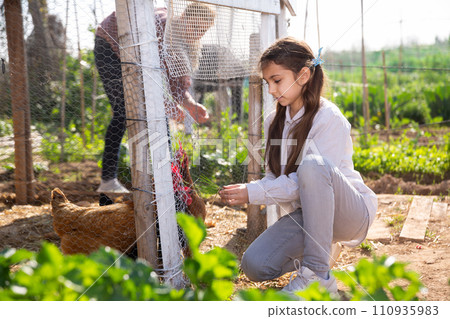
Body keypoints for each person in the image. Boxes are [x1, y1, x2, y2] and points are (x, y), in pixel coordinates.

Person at [219, 37, 377, 294]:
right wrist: (249, 189)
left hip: (349, 214)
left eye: (277, 80)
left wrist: (253, 193)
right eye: (268, 82)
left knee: (312, 165)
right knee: (254, 265)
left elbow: (302, 181)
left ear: (303, 75)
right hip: (307, 217)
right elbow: (273, 176)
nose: (271, 89)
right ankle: (322, 250)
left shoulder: (328, 118)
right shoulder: (273, 122)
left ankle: (318, 276)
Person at [95, 3, 215, 193]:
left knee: (156, 116)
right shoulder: (164, 27)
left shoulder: (184, 41)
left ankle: (165, 181)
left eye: (203, 30)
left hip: (137, 56)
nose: (198, 33)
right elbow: (150, 72)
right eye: (195, 26)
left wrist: (190, 104)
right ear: (183, 17)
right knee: (124, 112)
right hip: (111, 47)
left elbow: (173, 78)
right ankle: (109, 180)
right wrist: (168, 105)